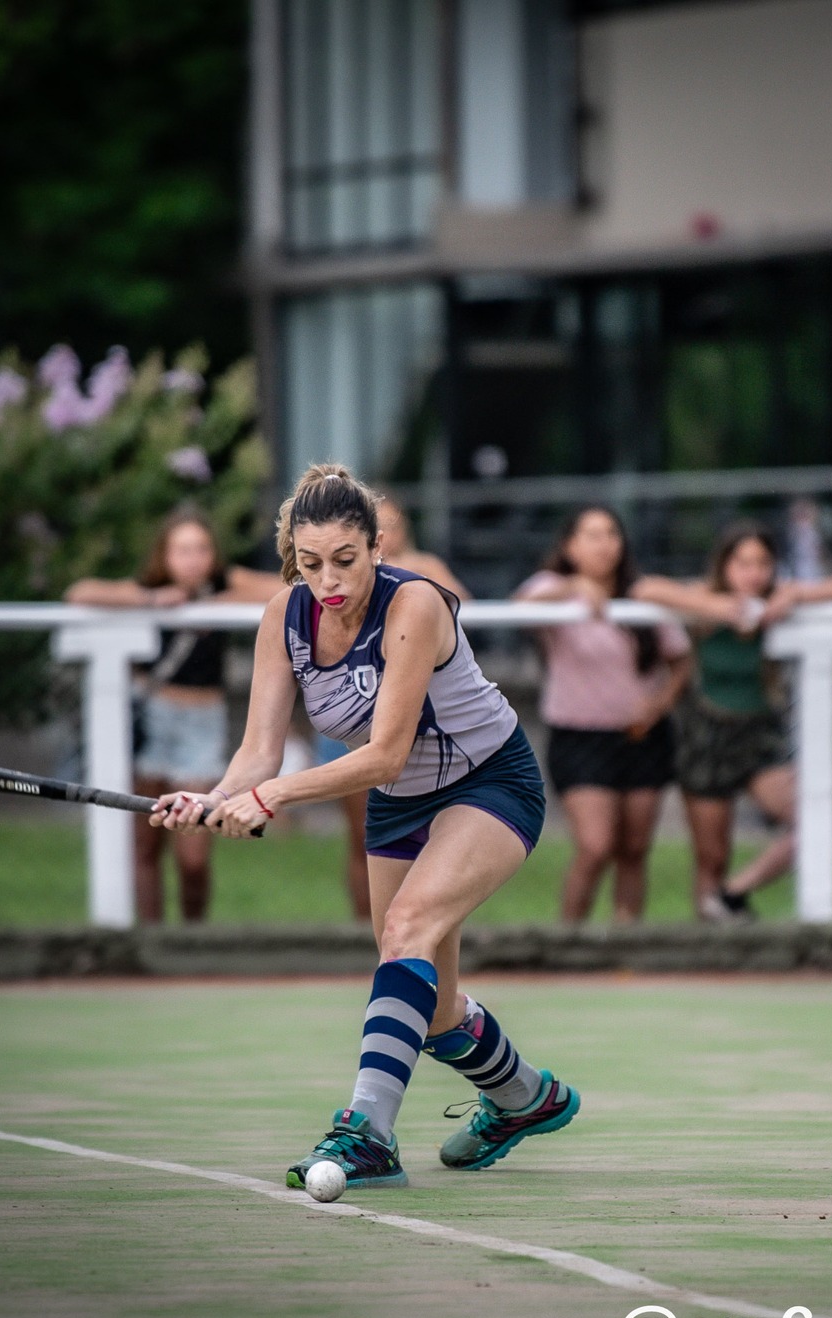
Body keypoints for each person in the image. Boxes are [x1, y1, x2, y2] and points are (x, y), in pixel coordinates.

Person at [154, 465, 577, 1194]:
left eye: (345, 560)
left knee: (407, 926)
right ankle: (524, 1097)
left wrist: (270, 796)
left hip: (490, 782)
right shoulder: (283, 617)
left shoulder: (413, 604)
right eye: (310, 563)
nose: (329, 580)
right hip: (399, 802)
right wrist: (216, 795)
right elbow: (260, 749)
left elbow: (384, 750)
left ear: (377, 546)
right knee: (435, 1010)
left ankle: (368, 1132)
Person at [631, 524, 832, 921]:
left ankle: (734, 892)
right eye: (743, 563)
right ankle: (707, 949)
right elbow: (643, 589)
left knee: (816, 820)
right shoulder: (706, 598)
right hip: (706, 736)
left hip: (759, 738)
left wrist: (794, 594)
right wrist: (715, 608)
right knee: (711, 856)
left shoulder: (776, 599)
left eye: (762, 563)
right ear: (725, 566)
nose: (752, 573)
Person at [65, 509, 279, 923]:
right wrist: (152, 600)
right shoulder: (152, 587)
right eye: (182, 550)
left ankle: (191, 937)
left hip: (202, 723)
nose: (193, 559)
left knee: (194, 853)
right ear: (164, 555)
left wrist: (214, 605)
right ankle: (152, 941)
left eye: (201, 549)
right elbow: (81, 592)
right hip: (153, 719)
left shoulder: (223, 584)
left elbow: (283, 588)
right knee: (146, 843)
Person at [515, 507, 693, 923]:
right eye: (592, 535)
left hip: (641, 735)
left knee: (633, 849)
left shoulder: (641, 596)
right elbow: (522, 605)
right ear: (570, 546)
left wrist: (660, 703)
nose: (604, 544)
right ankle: (567, 942)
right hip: (580, 738)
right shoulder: (554, 589)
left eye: (611, 533)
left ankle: (623, 941)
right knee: (595, 846)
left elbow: (680, 659)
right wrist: (576, 587)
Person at [327, 494, 469, 922]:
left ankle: (416, 927)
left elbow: (460, 604)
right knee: (364, 834)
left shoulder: (423, 569)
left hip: (418, 725)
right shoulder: (338, 582)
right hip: (359, 719)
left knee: (427, 840)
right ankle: (364, 924)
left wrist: (413, 588)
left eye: (394, 522)